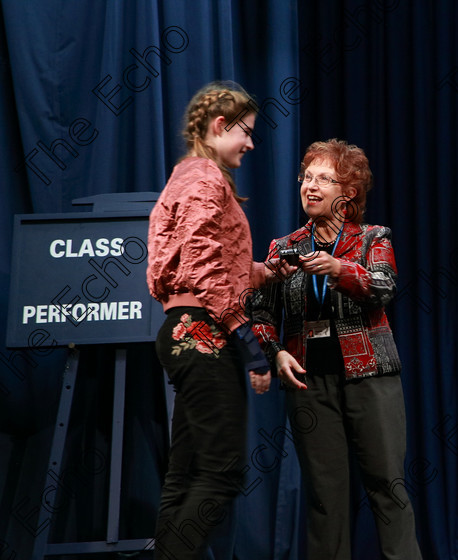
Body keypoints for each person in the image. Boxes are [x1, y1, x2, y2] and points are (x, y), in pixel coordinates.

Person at [251, 139, 423, 559]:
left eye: (323, 179)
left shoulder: (371, 238)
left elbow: (382, 287)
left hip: (370, 377)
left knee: (386, 484)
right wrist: (274, 352)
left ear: (347, 193)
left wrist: (340, 269)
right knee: (325, 497)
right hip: (310, 382)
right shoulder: (283, 247)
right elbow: (258, 310)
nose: (310, 186)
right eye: (306, 177)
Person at [146, 81, 282, 560]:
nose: (249, 143)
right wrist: (250, 344)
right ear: (219, 125)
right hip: (203, 333)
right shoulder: (205, 178)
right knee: (223, 473)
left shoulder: (187, 176)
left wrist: (271, 270)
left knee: (184, 477)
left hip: (182, 329)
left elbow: (209, 264)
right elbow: (203, 266)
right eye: (245, 132)